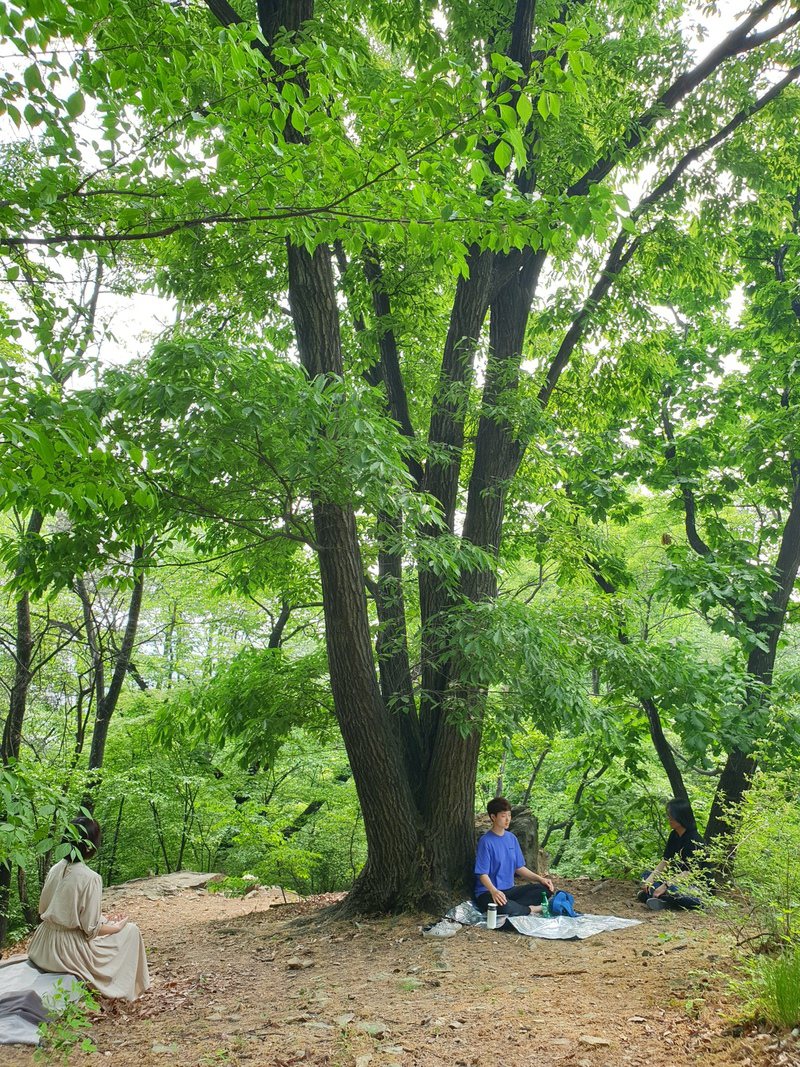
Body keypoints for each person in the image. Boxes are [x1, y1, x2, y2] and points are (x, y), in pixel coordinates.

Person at [27, 817, 150, 1000]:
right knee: (131, 931)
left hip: (41, 946)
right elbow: (91, 929)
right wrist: (117, 926)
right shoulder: (90, 877)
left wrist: (102, 919)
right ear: (90, 845)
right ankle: (135, 988)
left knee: (109, 925)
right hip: (65, 954)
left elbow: (46, 909)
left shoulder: (55, 868)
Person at [474, 797, 555, 918]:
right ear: (493, 817)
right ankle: (531, 909)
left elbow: (519, 868)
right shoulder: (486, 841)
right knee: (502, 906)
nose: (507, 820)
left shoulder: (511, 838)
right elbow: (482, 874)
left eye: (509, 815)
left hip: (510, 890)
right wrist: (494, 891)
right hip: (488, 892)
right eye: (503, 816)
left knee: (544, 890)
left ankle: (516, 908)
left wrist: (540, 879)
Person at [639, 798, 705, 911]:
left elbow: (689, 872)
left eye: (671, 817)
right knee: (646, 874)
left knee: (674, 890)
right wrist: (650, 880)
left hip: (693, 885)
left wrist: (665, 886)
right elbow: (666, 861)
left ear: (681, 817)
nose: (669, 819)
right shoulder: (674, 835)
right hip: (673, 879)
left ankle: (662, 899)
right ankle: (661, 898)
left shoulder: (694, 840)